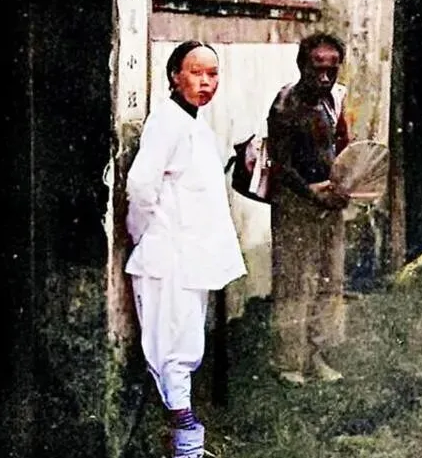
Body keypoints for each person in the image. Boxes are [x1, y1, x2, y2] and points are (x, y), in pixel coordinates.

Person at [125, 41, 247, 458]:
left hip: (191, 258)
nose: (206, 82)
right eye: (196, 73)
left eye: (213, 74)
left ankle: (185, 444)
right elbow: (141, 186)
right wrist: (143, 235)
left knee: (187, 347)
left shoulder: (194, 124)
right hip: (167, 258)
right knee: (173, 352)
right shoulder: (166, 122)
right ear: (175, 76)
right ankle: (186, 446)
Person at [267, 32, 350, 385]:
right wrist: (312, 193)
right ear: (302, 65)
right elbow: (280, 164)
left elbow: (342, 149)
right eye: (318, 68)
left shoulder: (334, 100)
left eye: (332, 68)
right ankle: (289, 361)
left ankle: (317, 355)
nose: (325, 76)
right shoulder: (286, 104)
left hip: (329, 202)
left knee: (329, 280)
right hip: (295, 204)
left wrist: (343, 186)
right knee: (294, 282)